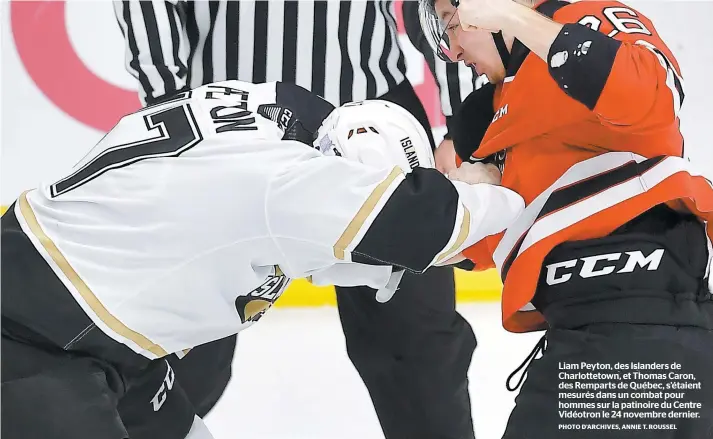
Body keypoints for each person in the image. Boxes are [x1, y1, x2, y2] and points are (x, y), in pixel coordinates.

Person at [0, 80, 524, 439]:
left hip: (105, 330)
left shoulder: (267, 115)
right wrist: (515, 189)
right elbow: (429, 221)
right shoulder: (284, 183)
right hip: (34, 334)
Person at [113, 3, 482, 436]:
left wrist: (465, 123)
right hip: (226, 128)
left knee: (418, 350)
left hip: (375, 133)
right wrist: (169, 110)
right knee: (179, 351)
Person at [418, 0, 713, 437]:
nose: (453, 51)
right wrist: (459, 200)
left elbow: (647, 95)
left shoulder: (588, 17)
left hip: (641, 332)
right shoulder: (485, 114)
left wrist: (513, 17)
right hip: (581, 341)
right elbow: (472, 247)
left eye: (452, 24)